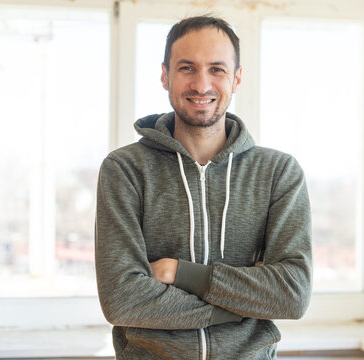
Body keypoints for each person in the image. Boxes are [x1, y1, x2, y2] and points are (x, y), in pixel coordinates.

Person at [95, 15, 312, 360]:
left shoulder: (277, 172)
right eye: (186, 68)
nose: (202, 84)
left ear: (237, 78)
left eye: (217, 69)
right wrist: (244, 304)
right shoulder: (125, 170)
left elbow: (292, 294)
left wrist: (180, 274)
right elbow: (122, 300)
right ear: (165, 75)